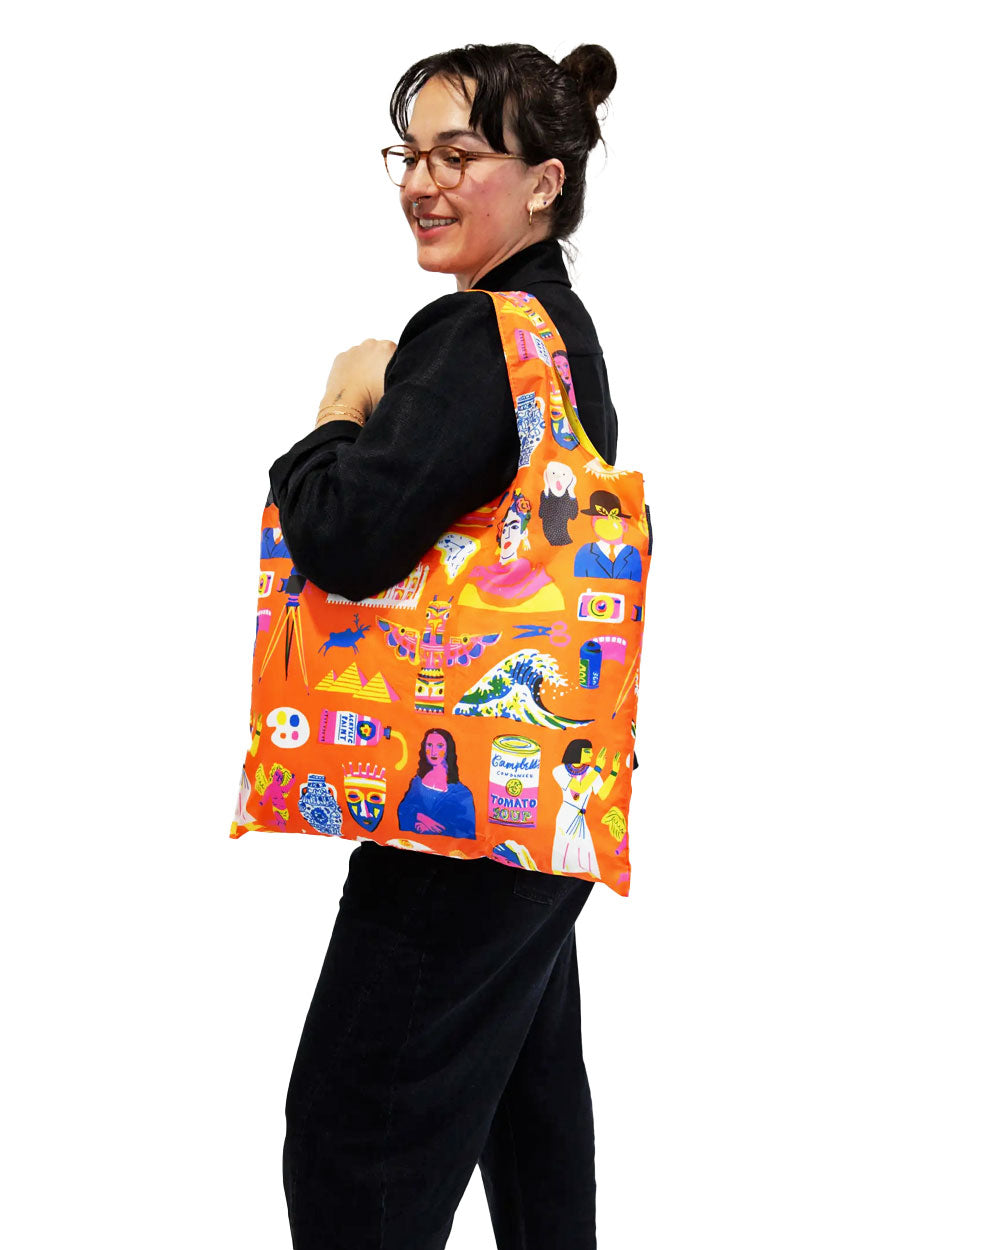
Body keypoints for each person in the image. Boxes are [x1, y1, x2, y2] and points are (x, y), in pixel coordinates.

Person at [272, 41, 621, 1250]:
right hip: (545, 798)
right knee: (529, 1118)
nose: (423, 182)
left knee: (351, 1136)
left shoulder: (477, 335)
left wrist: (341, 406)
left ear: (545, 181)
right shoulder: (560, 335)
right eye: (410, 155)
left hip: (457, 810)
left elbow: (345, 538)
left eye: (458, 155)